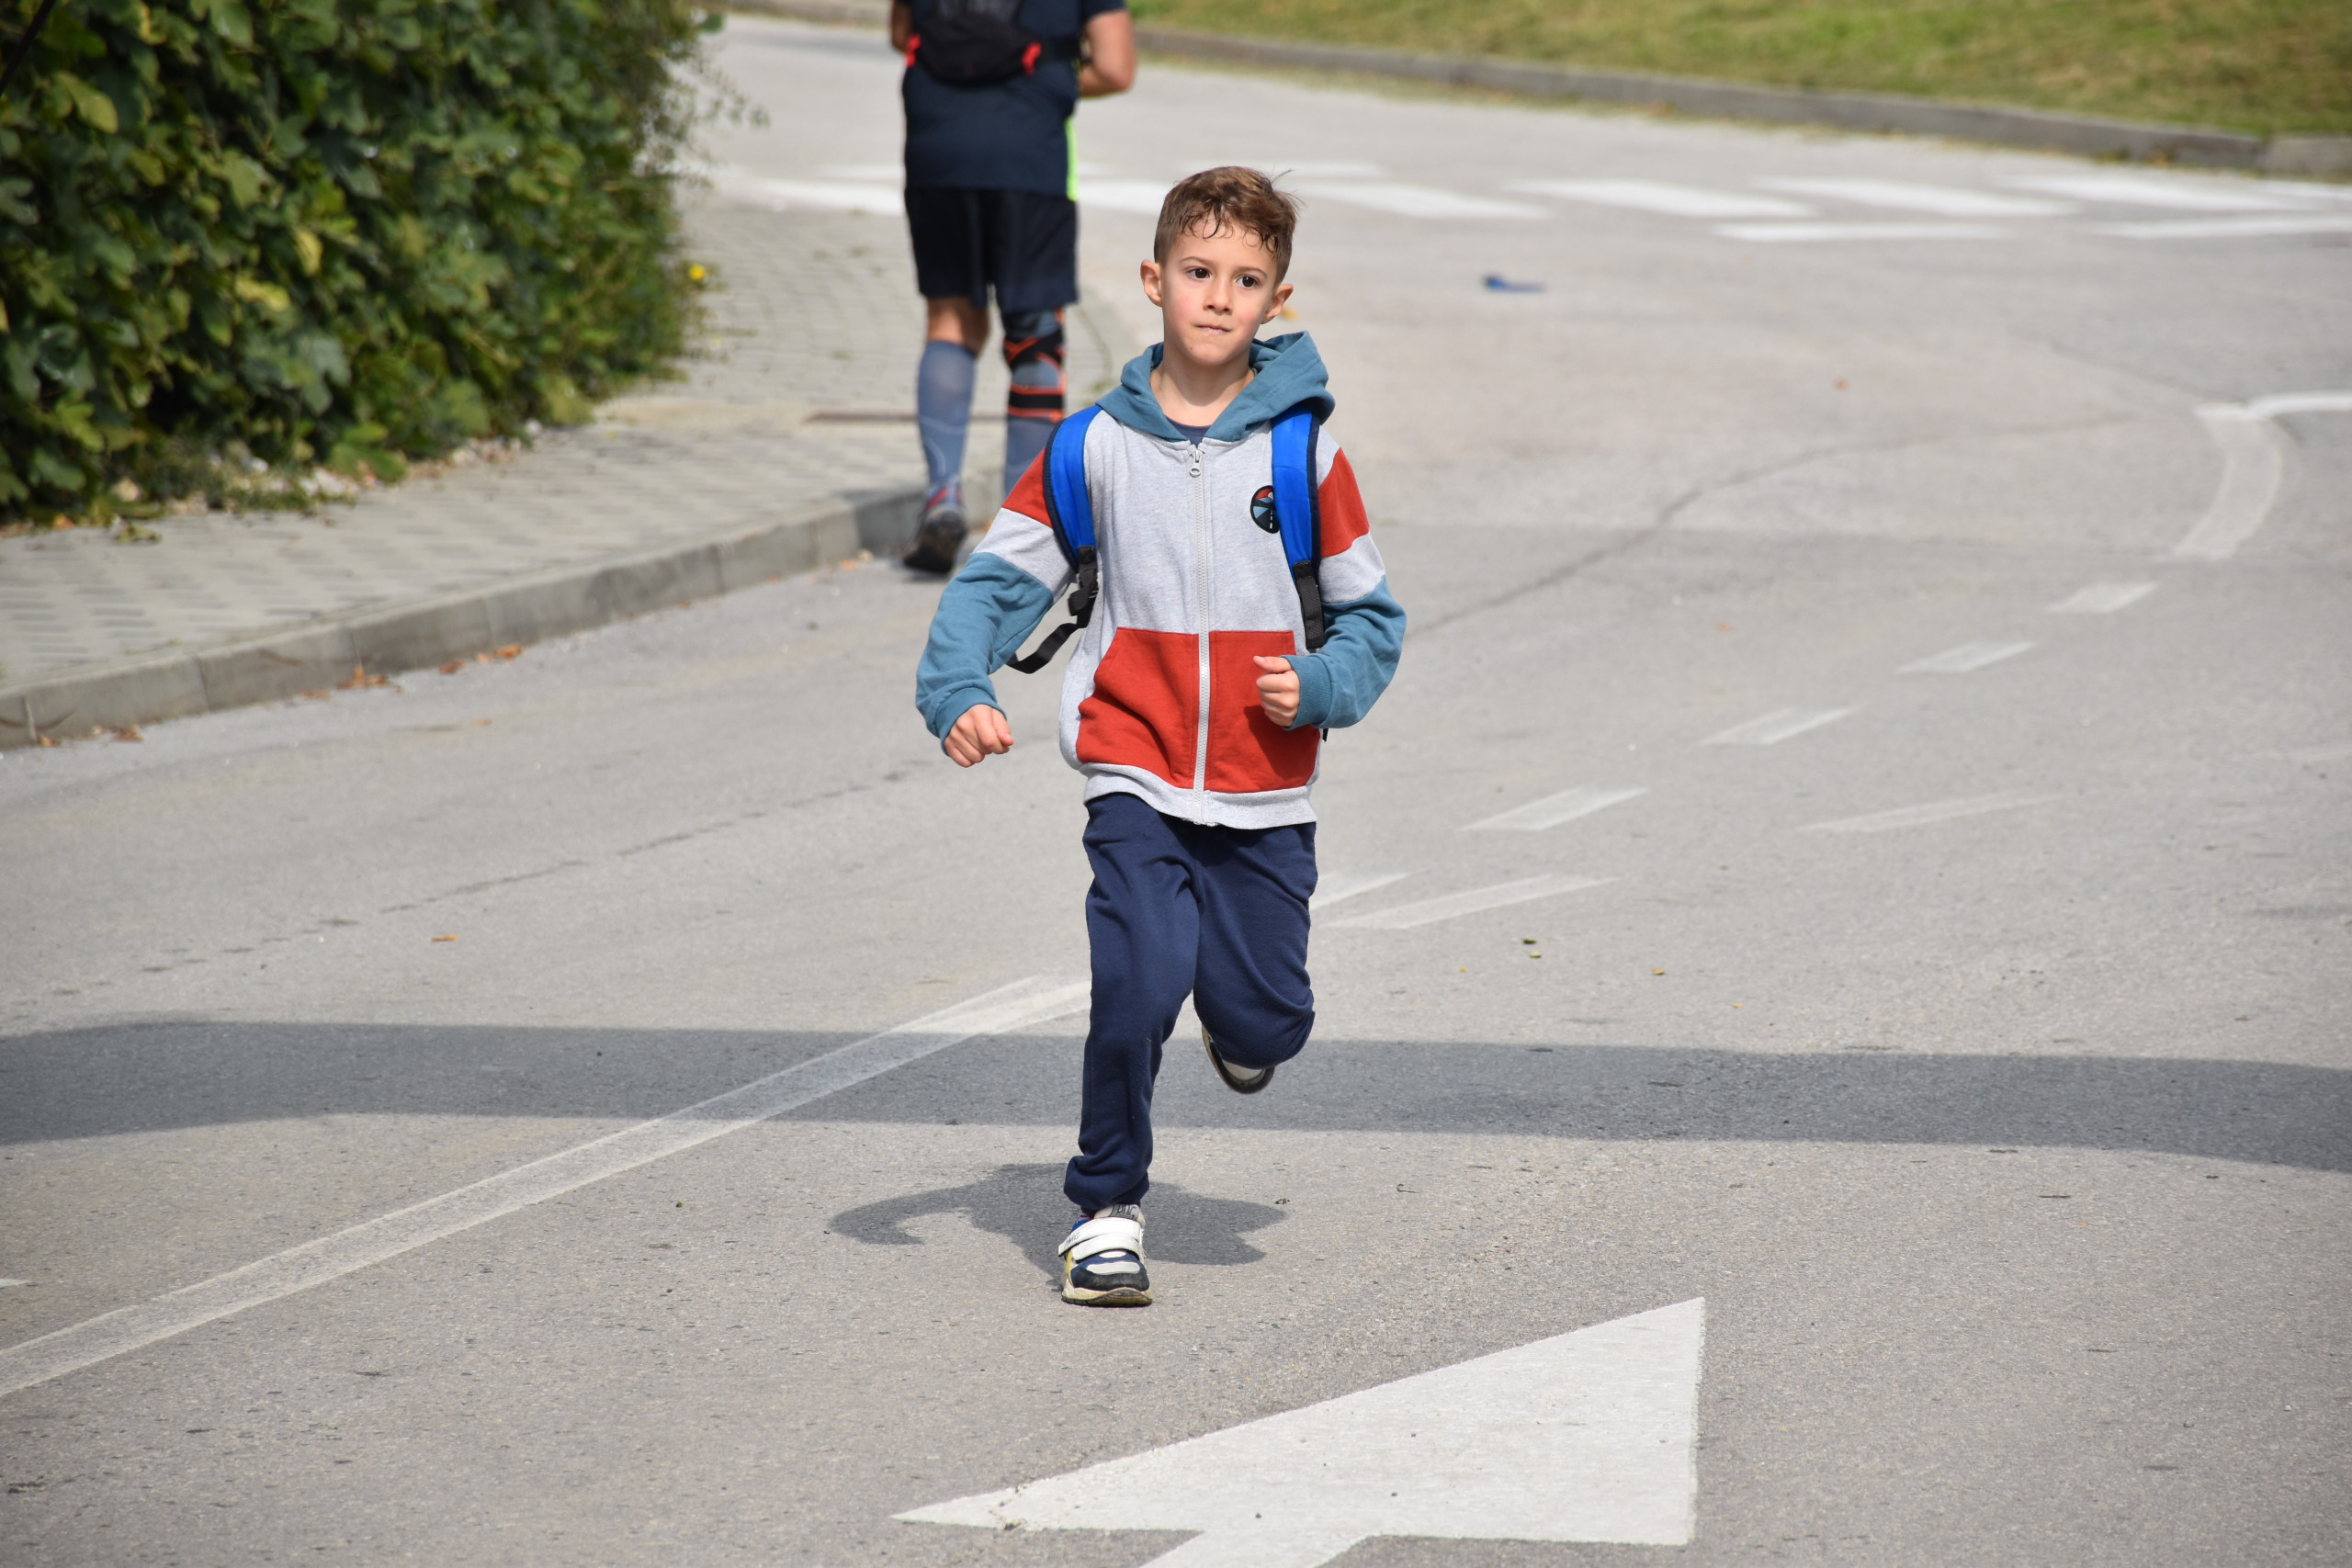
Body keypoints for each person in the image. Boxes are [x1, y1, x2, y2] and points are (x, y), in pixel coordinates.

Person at [913, 168, 1408, 1304]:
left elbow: (1373, 621)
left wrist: (1321, 683)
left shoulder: (1303, 458)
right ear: (1153, 281)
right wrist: (957, 687)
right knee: (1134, 987)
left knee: (1268, 1018)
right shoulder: (1090, 448)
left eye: (1245, 280)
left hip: (1263, 790)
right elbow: (998, 581)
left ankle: (1242, 1030)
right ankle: (1104, 1209)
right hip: (1132, 771)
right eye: (1198, 272)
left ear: (1276, 300)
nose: (1218, 297)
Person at [890, 0, 1136, 574]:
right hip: (1028, 147)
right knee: (1035, 334)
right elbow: (1115, 66)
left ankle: (942, 496)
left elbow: (903, 33)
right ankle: (1017, 534)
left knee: (950, 319)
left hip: (938, 142)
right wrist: (1051, 78)